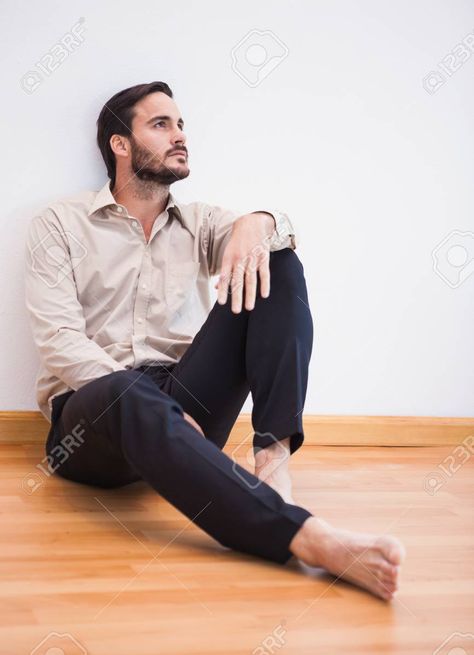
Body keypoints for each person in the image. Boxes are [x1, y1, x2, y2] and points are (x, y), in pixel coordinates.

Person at [24, 81, 404, 601]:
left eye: (181, 125)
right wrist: (146, 398)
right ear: (120, 143)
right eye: (161, 125)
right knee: (123, 390)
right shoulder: (60, 222)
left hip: (185, 400)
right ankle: (309, 539)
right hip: (93, 418)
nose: (179, 136)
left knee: (276, 260)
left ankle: (272, 464)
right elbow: (58, 338)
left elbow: (277, 238)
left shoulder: (199, 222)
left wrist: (260, 220)